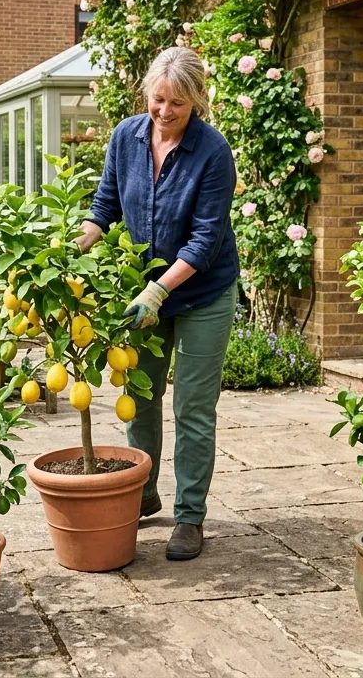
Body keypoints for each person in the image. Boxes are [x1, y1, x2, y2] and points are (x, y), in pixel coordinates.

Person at [76, 46, 239, 561]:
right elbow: (104, 206)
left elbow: (205, 239)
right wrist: (70, 250)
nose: (165, 112)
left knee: (193, 406)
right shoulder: (125, 136)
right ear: (147, 93)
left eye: (178, 105)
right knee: (140, 396)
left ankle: (190, 517)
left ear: (197, 103)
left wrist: (160, 288)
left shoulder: (212, 153)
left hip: (201, 292)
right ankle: (143, 490)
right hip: (145, 288)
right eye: (158, 100)